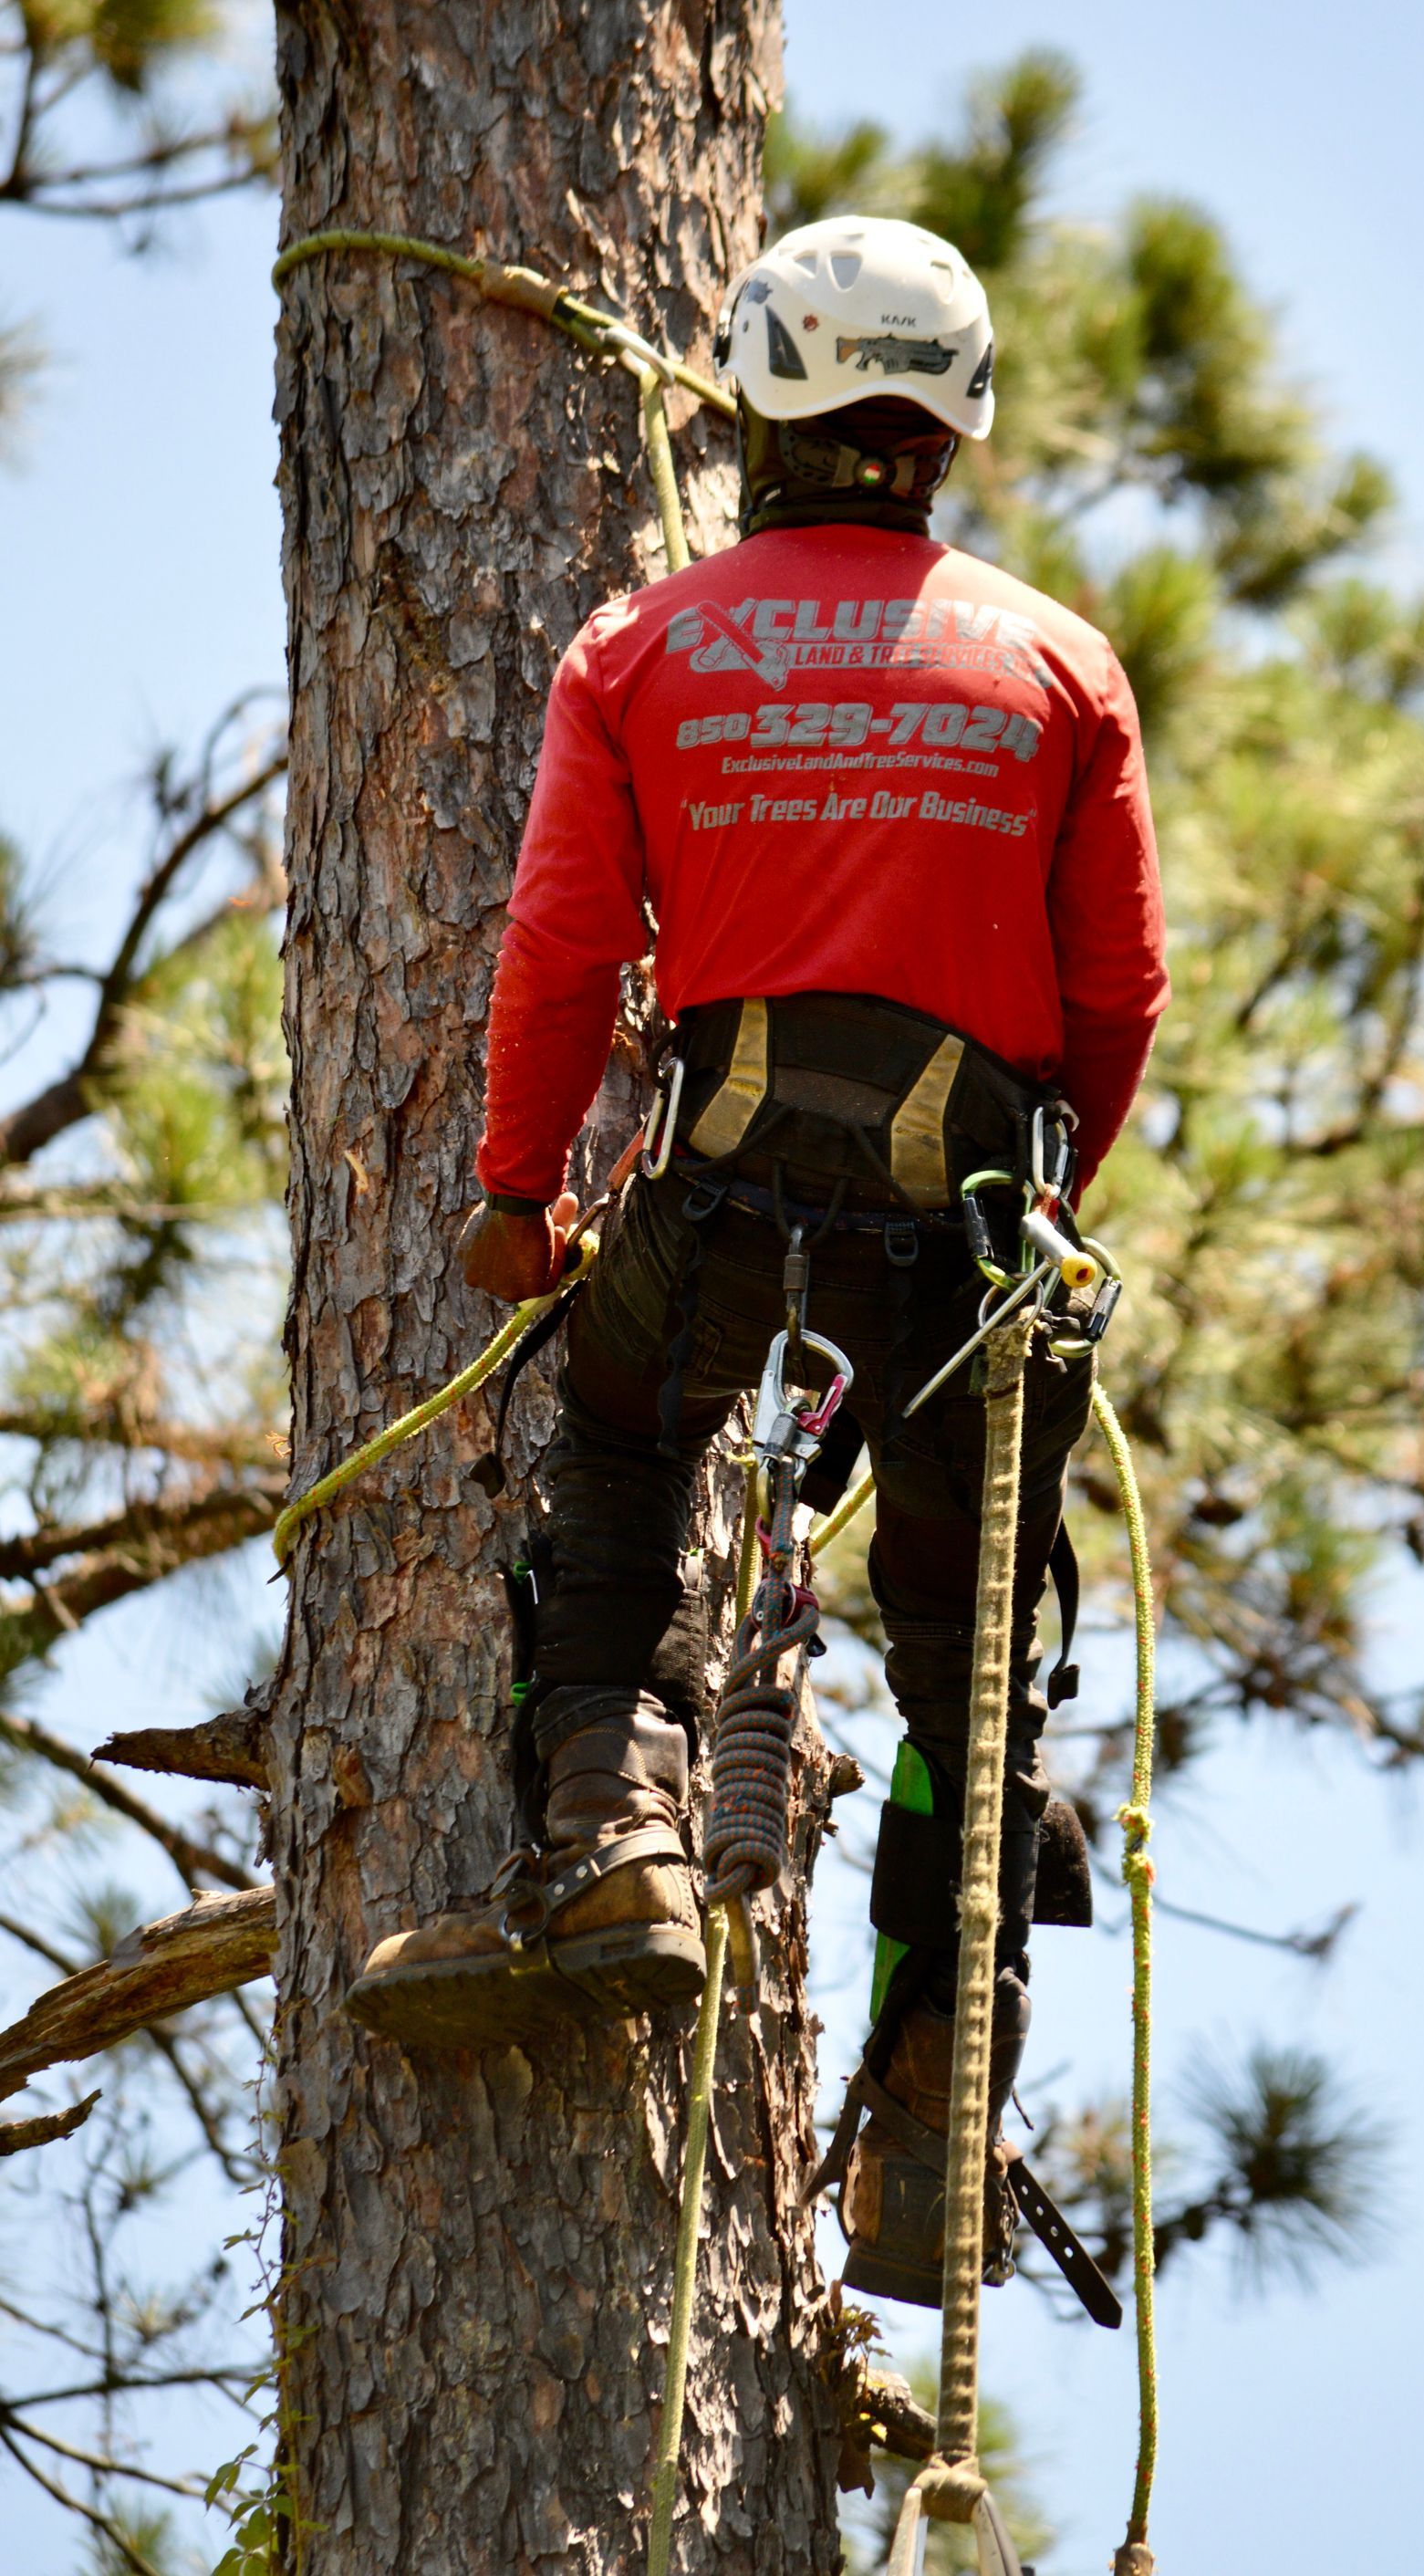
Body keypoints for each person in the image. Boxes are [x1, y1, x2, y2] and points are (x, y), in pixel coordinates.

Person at [347, 216, 1169, 2311]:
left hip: (716, 1194)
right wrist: (1033, 1202)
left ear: (763, 396)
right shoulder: (1061, 662)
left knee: (620, 1444)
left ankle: (615, 1831)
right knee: (968, 1651)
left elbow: (556, 954)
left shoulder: (640, 651)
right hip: (969, 1234)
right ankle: (923, 2100)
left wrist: (520, 1193)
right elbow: (1117, 997)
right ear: (952, 419)